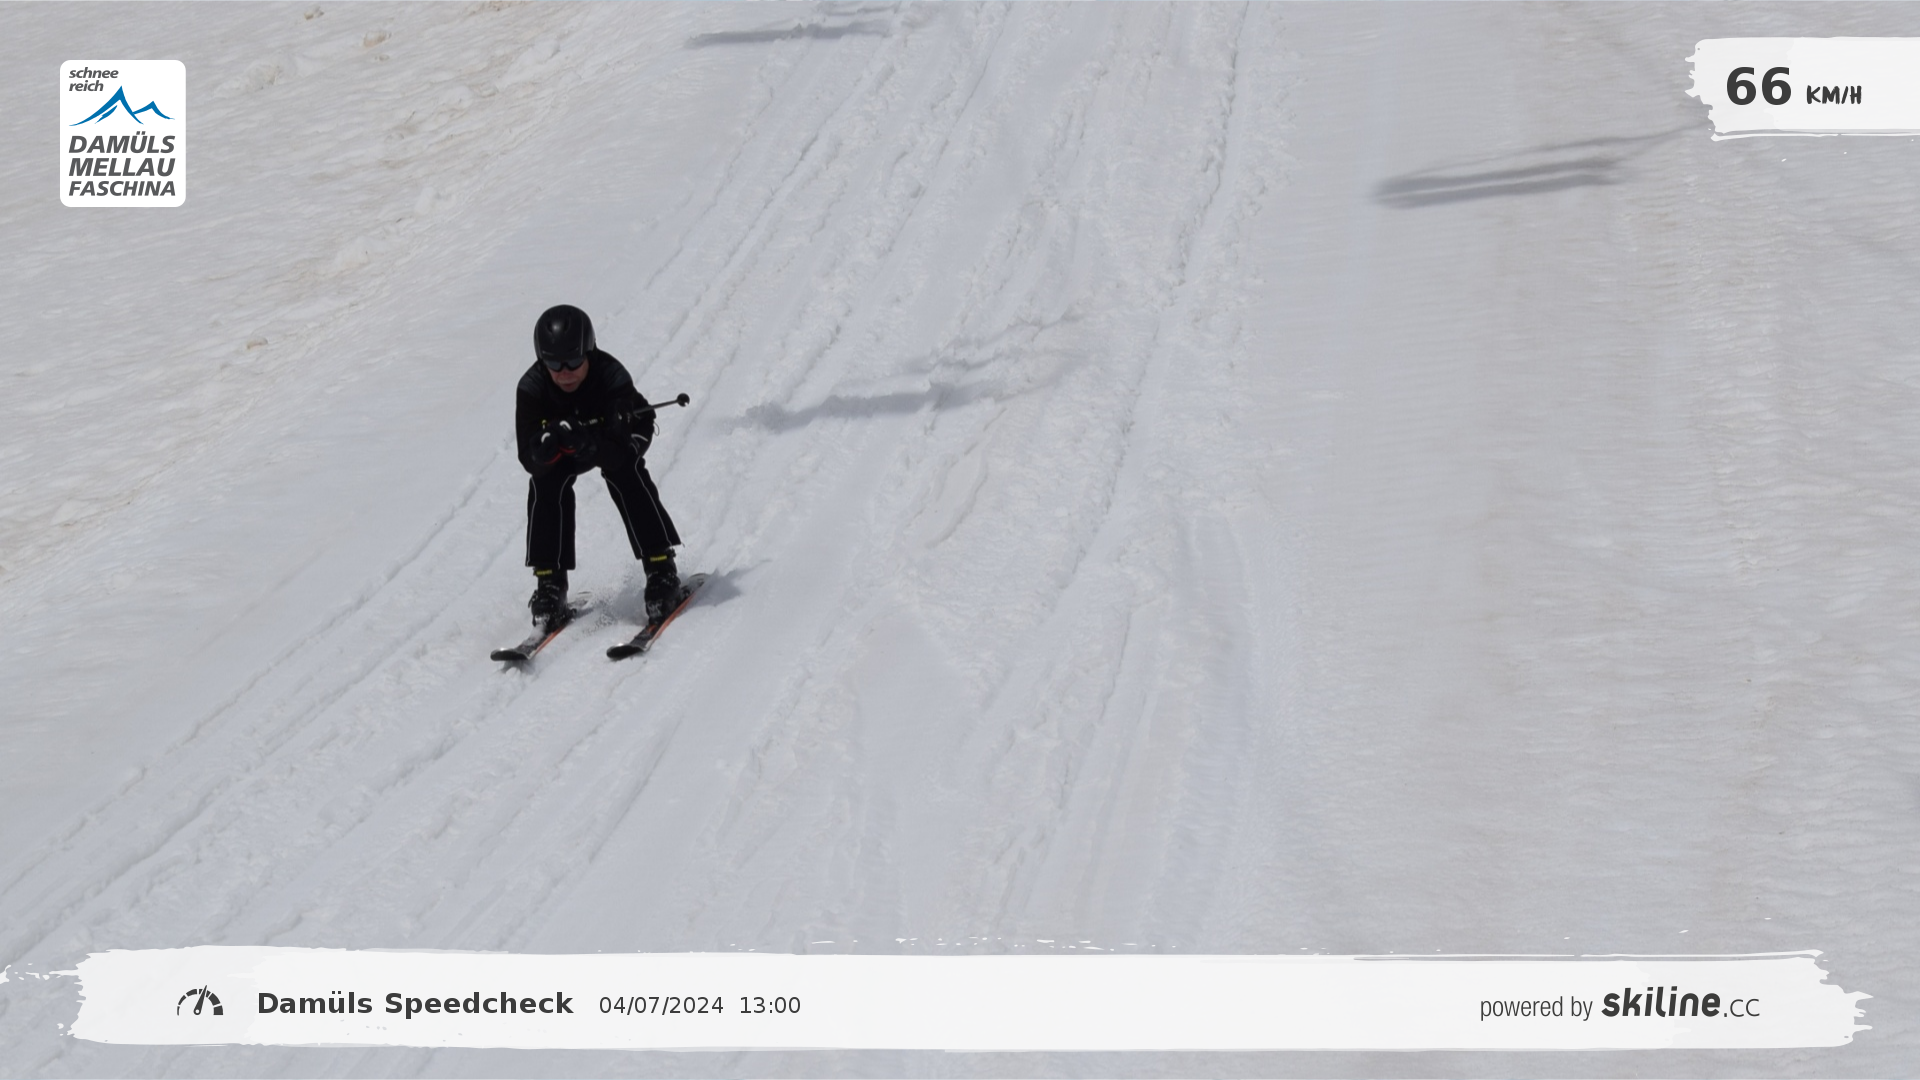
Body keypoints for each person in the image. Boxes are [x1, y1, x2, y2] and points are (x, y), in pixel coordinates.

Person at [515, 304, 682, 625]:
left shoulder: (611, 376)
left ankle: (661, 566)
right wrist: (543, 451)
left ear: (588, 352)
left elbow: (620, 452)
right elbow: (528, 458)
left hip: (616, 437)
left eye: (573, 361)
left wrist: (588, 443)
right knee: (545, 481)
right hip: (564, 449)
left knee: (626, 473)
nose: (565, 372)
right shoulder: (531, 388)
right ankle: (550, 582)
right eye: (554, 364)